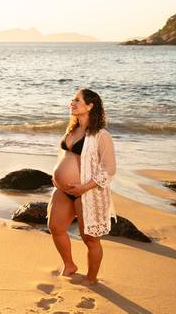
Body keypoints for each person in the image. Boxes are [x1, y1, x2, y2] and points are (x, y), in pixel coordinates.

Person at [47, 88, 117, 285]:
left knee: (90, 240)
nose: (72, 103)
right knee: (56, 228)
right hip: (62, 191)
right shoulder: (72, 129)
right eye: (72, 100)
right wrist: (56, 174)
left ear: (90, 106)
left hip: (87, 193)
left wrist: (84, 187)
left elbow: (109, 169)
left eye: (77, 100)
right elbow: (65, 156)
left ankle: (92, 278)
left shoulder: (101, 135)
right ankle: (69, 265)